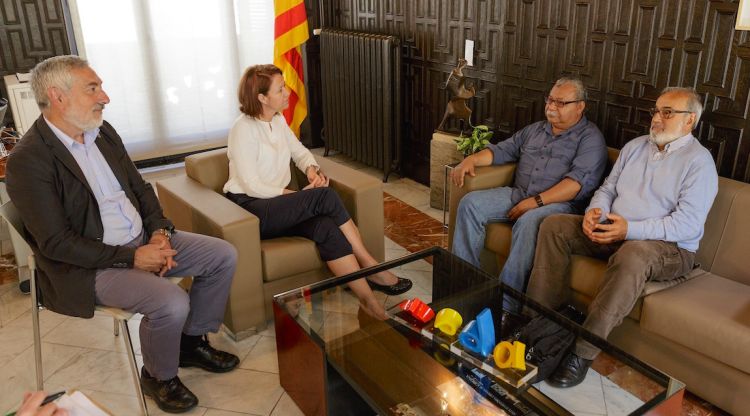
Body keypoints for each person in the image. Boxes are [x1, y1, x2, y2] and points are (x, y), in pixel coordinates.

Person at [6, 55, 240, 413]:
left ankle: (190, 344)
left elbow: (140, 188)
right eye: (93, 88)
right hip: (90, 265)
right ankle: (159, 376)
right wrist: (133, 258)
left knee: (222, 255)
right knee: (170, 302)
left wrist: (159, 234)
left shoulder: (102, 132)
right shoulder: (29, 159)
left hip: (141, 240)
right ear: (58, 96)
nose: (105, 97)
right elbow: (56, 243)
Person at [526, 87, 718, 387]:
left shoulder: (699, 163)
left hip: (670, 249)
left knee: (633, 254)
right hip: (616, 230)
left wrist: (630, 229)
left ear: (689, 120)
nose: (657, 118)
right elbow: (607, 188)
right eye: (656, 111)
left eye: (667, 113)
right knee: (554, 226)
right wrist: (596, 212)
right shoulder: (636, 147)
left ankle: (582, 352)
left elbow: (687, 225)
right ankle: (540, 324)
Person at [223, 64, 412, 319]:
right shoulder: (242, 129)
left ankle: (368, 301)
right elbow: (251, 184)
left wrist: (311, 169)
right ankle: (369, 263)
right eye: (281, 89)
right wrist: (297, 197)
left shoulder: (276, 120)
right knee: (323, 196)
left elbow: (299, 152)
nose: (288, 92)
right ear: (262, 98)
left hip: (277, 206)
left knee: (325, 226)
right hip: (250, 209)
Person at [451, 77, 607, 309]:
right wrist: (471, 159)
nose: (551, 106)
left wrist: (535, 202)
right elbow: (502, 150)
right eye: (550, 100)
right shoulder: (535, 130)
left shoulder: (590, 139)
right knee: (470, 203)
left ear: (580, 106)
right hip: (520, 194)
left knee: (529, 221)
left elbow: (576, 185)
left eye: (561, 103)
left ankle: (505, 306)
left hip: (559, 206)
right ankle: (463, 286)